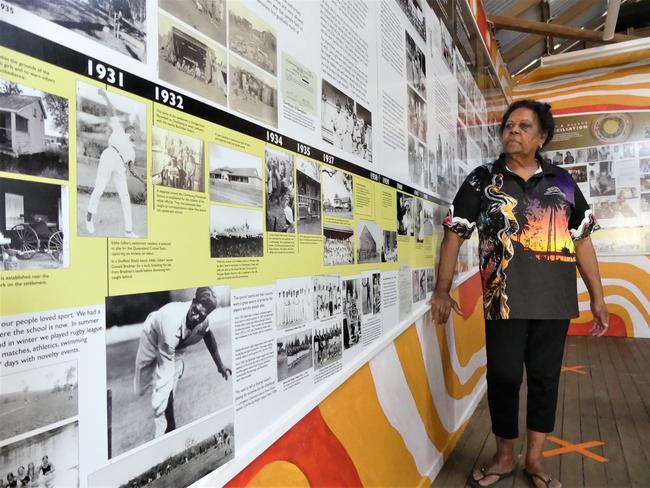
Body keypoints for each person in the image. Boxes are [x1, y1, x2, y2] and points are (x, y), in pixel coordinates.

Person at [430, 100, 608, 488]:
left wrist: (598, 296)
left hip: (554, 301)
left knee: (545, 380)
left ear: (542, 137)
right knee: (505, 377)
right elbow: (453, 235)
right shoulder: (482, 180)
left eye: (524, 126)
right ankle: (505, 456)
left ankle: (536, 459)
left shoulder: (562, 182)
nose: (513, 131)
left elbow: (583, 243)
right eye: (509, 125)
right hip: (502, 300)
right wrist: (441, 289)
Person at [134, 287, 232, 437]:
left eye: (201, 316)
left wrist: (220, 365)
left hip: (177, 346)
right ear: (193, 301)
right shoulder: (171, 319)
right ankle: (169, 426)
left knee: (164, 392)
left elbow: (208, 335)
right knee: (141, 388)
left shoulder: (203, 321)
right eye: (195, 311)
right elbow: (165, 376)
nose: (196, 318)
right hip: (152, 337)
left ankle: (164, 432)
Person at [85, 88, 139, 238]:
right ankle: (89, 215)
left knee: (125, 195)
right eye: (132, 130)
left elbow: (131, 167)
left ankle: (129, 231)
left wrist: (136, 173)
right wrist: (105, 95)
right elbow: (112, 110)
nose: (134, 132)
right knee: (100, 187)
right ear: (128, 130)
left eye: (135, 131)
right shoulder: (119, 130)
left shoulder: (132, 151)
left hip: (120, 166)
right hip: (109, 156)